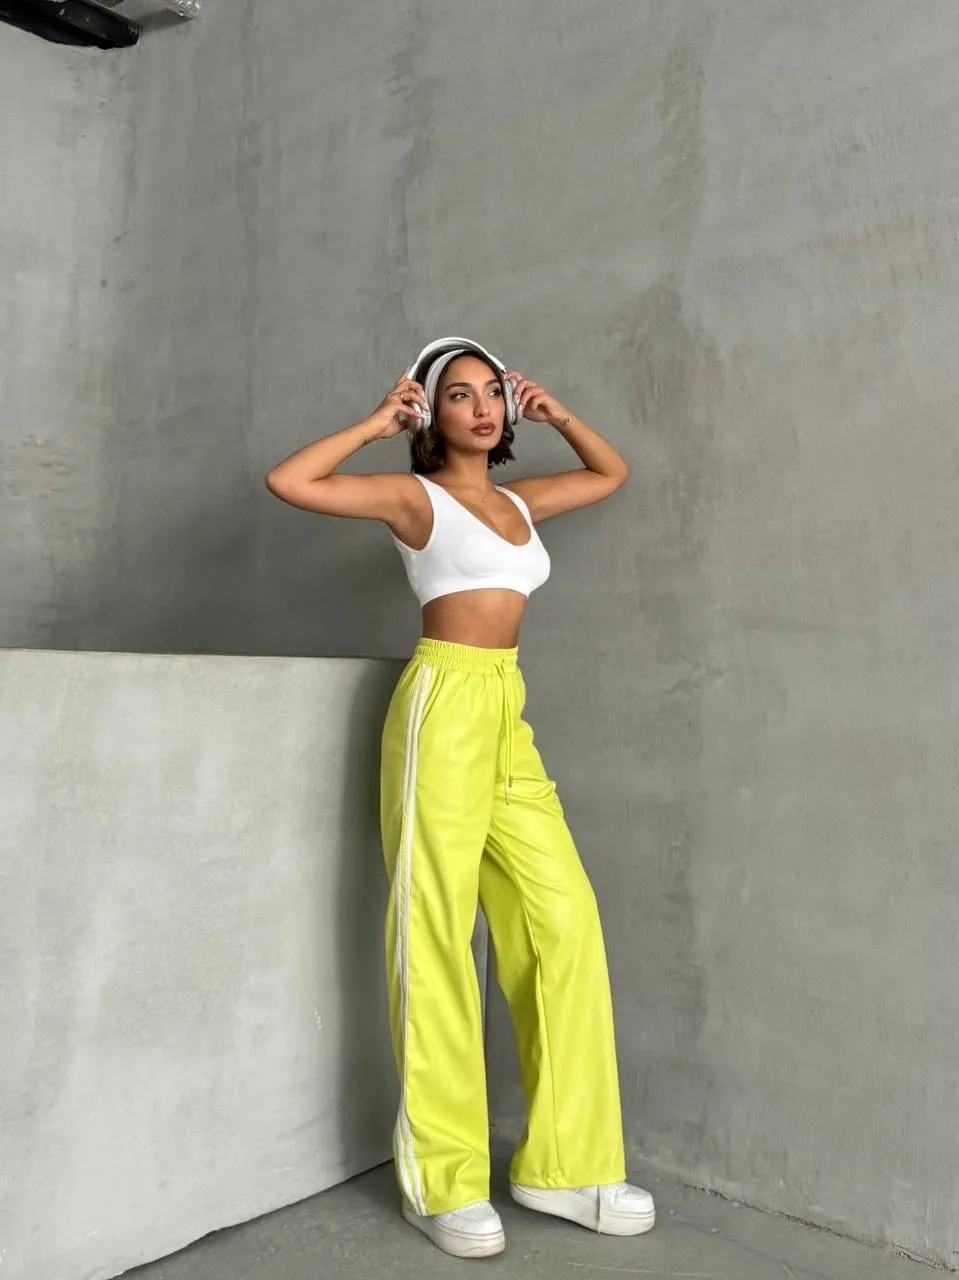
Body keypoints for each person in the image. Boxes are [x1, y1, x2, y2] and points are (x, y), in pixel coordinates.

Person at [265, 338, 655, 1260]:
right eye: (458, 395)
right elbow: (291, 481)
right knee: (435, 932)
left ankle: (565, 1167)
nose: (480, 408)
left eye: (491, 394)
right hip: (440, 704)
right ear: (430, 415)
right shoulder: (416, 499)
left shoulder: (520, 502)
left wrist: (557, 412)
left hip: (506, 709)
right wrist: (375, 422)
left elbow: (610, 472)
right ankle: (441, 1182)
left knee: (561, 920)